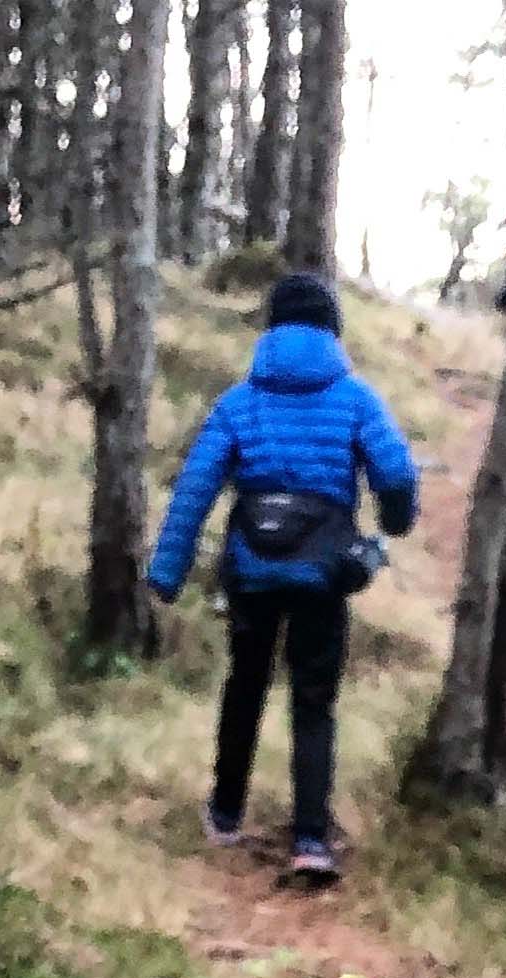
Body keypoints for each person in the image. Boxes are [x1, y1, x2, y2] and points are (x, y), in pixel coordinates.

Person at [146, 272, 420, 882]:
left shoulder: (239, 402)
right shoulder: (354, 397)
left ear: (269, 328)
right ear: (333, 330)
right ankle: (311, 840)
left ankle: (224, 813)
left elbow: (194, 490)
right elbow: (397, 475)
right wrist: (396, 522)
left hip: (252, 567)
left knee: (244, 685)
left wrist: (167, 571)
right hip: (323, 574)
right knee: (314, 701)